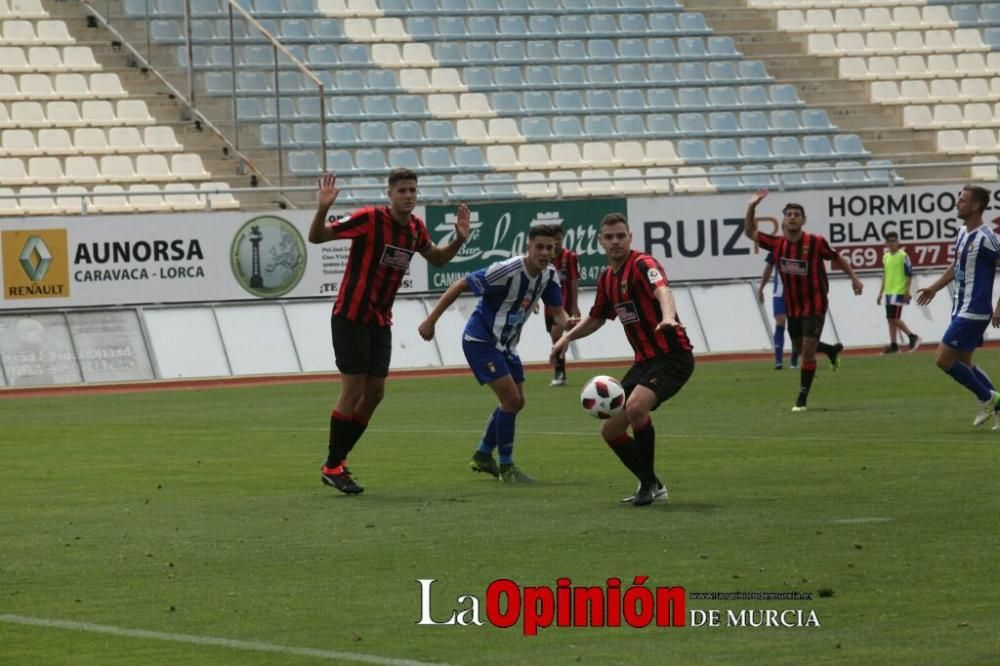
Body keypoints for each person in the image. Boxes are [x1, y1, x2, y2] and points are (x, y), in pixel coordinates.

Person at [308, 169, 471, 494]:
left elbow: (437, 259)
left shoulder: (414, 229)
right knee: (353, 390)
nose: (409, 195)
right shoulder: (370, 218)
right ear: (390, 193)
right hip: (351, 316)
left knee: (376, 394)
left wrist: (459, 240)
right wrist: (323, 207)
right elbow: (318, 237)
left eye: (413, 190)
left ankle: (335, 463)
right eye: (402, 190)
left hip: (380, 321)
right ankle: (333, 465)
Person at [551, 213, 694, 506]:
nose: (615, 242)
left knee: (636, 406)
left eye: (620, 236)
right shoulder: (606, 278)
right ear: (600, 242)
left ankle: (648, 487)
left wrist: (668, 316)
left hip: (673, 357)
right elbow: (597, 318)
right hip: (645, 361)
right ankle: (652, 483)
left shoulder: (643, 265)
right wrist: (567, 338)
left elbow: (663, 290)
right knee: (611, 430)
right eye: (609, 237)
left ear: (630, 237)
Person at [419, 224, 568, 482]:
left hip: (506, 345)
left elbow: (559, 314)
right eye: (539, 247)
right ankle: (507, 467)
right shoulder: (506, 270)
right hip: (481, 340)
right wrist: (430, 321)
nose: (544, 252)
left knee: (517, 402)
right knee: (511, 400)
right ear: (528, 247)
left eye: (549, 248)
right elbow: (459, 285)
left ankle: (483, 454)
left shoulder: (549, 275)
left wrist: (574, 326)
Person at [744, 189, 863, 412]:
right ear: (783, 219)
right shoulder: (777, 244)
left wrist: (854, 278)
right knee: (799, 347)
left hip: (815, 304)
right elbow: (750, 232)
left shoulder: (816, 242)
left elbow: (836, 257)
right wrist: (752, 206)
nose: (792, 217)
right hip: (793, 305)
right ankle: (830, 350)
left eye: (796, 214)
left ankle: (802, 399)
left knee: (807, 350)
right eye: (789, 214)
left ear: (803, 219)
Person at [916, 185, 1000, 428]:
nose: (957, 204)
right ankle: (996, 405)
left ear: (975, 206)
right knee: (964, 363)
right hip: (960, 307)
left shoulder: (986, 238)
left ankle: (988, 397)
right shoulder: (963, 232)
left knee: (942, 359)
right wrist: (934, 287)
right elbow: (957, 266)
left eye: (962, 200)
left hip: (974, 310)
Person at [876, 231, 922, 354]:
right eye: (889, 241)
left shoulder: (903, 256)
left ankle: (913, 336)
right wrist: (881, 293)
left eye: (893, 241)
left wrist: (907, 291)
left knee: (894, 318)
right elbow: (885, 275)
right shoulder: (885, 257)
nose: (891, 244)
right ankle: (894, 345)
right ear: (886, 243)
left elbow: (909, 274)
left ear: (898, 243)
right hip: (889, 292)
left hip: (899, 291)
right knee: (890, 319)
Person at [547, 225, 581, 386]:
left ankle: (559, 372)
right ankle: (561, 373)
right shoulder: (545, 258)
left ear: (562, 238)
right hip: (549, 306)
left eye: (558, 239)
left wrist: (574, 306)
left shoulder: (570, 257)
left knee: (556, 334)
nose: (556, 243)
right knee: (554, 338)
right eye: (553, 240)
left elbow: (573, 281)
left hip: (565, 306)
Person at [758, 251, 799, 370]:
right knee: (780, 322)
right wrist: (761, 288)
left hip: (796, 295)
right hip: (779, 294)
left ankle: (794, 359)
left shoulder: (800, 247)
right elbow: (768, 268)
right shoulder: (775, 248)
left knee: (795, 327)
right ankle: (778, 360)